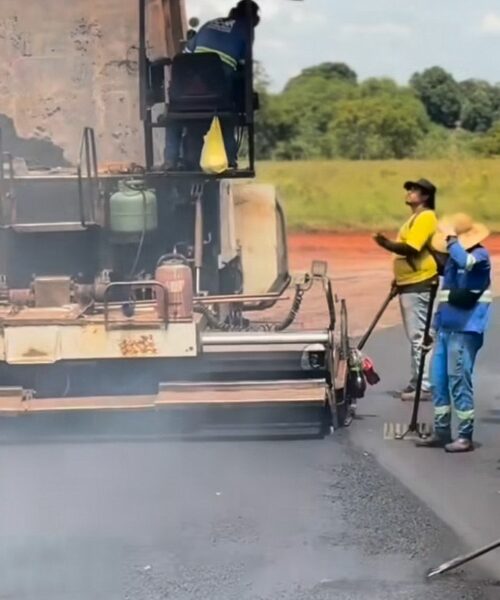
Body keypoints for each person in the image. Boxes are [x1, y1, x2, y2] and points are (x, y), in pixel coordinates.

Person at [416, 213, 492, 452]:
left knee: (458, 379)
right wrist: (433, 328)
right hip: (446, 329)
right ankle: (441, 431)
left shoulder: (480, 256)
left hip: (466, 329)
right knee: (438, 380)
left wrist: (451, 241)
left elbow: (466, 263)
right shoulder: (451, 261)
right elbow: (445, 298)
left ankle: (464, 435)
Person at [164, 0, 260, 170]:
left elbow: (186, 55)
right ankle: (229, 159)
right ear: (252, 20)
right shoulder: (246, 29)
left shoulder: (209, 24)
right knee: (229, 112)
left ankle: (170, 159)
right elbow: (245, 67)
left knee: (174, 115)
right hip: (217, 94)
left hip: (187, 92)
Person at [373, 178, 439, 402]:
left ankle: (424, 385)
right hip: (411, 282)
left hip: (420, 282)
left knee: (420, 336)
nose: (409, 193)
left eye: (414, 190)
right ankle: (419, 382)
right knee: (419, 335)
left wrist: (385, 243)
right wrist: (398, 280)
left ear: (425, 197)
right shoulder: (415, 218)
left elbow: (412, 248)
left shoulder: (426, 217)